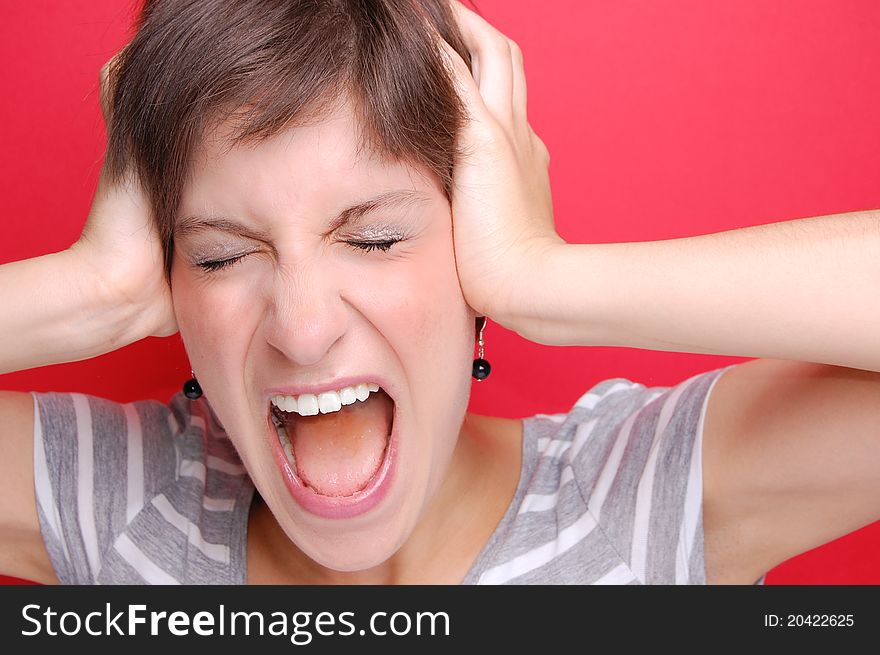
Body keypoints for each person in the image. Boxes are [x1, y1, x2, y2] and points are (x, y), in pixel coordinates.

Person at [1, 0, 878, 585]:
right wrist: (93, 290)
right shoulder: (123, 504)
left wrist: (543, 277)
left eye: (375, 237)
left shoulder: (635, 499)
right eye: (223, 256)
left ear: (472, 242)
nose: (303, 330)